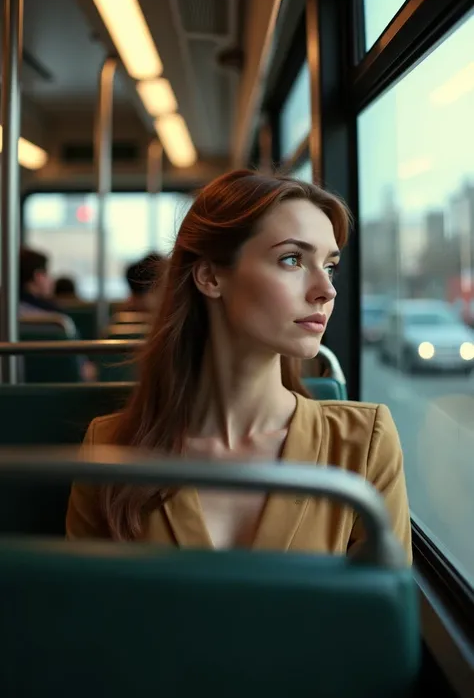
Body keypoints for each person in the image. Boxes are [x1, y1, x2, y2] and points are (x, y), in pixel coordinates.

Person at [66, 169, 411, 561]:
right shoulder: (111, 447)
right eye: (293, 259)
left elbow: (378, 616)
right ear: (211, 277)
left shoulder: (363, 443)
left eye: (329, 266)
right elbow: (88, 613)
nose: (326, 290)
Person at [19, 247, 96, 382]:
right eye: (47, 274)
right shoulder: (57, 322)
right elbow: (83, 371)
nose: (51, 280)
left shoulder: (8, 314)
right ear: (38, 276)